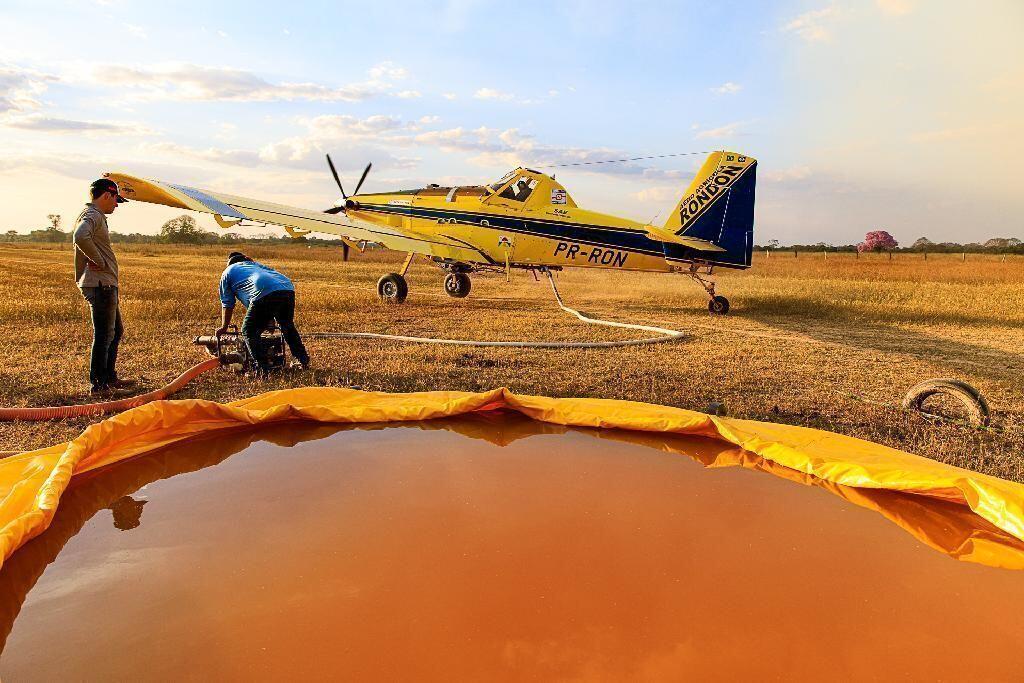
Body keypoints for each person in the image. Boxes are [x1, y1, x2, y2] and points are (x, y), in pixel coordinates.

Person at [73, 178, 131, 395]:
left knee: (115, 332)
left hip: (105, 284)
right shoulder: (92, 215)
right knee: (105, 334)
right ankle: (99, 386)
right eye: (116, 199)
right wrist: (98, 260)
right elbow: (80, 235)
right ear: (107, 195)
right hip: (100, 285)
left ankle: (109, 378)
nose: (116, 205)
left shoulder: (95, 216)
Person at [217, 252, 310, 374]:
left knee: (248, 330)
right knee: (287, 325)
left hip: (262, 289)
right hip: (286, 287)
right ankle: (302, 359)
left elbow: (227, 304)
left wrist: (224, 327)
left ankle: (261, 367)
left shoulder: (228, 272)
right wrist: (268, 320)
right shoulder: (255, 265)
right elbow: (264, 305)